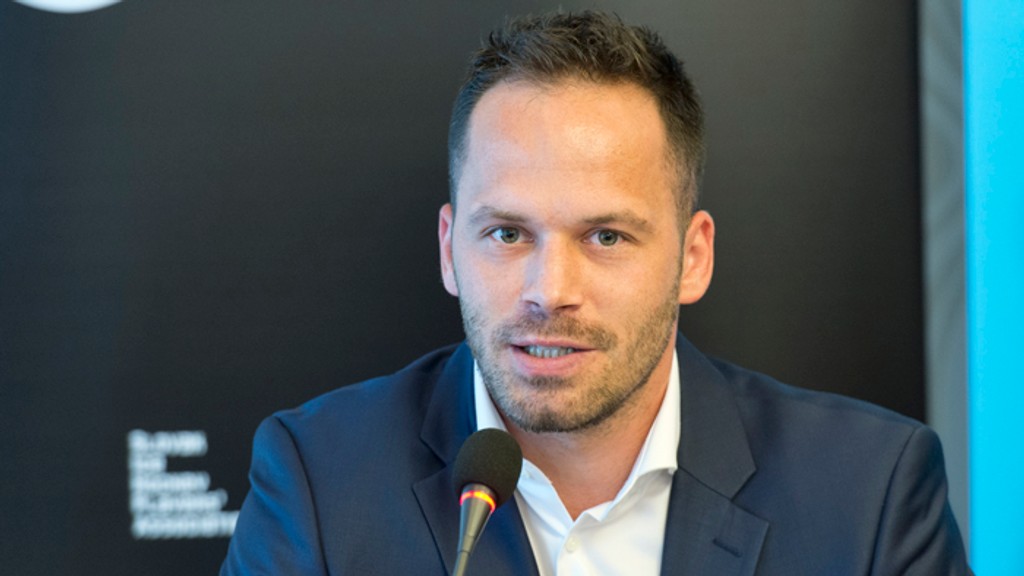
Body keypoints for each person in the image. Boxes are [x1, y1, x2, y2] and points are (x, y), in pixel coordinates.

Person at [221, 11, 968, 575]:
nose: (550, 291)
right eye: (507, 234)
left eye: (606, 236)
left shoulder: (869, 495)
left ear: (693, 258)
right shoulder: (319, 484)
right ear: (449, 249)